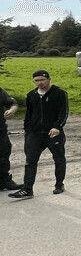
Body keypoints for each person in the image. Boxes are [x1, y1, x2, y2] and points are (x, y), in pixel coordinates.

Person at [9, 69, 69, 200]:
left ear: (48, 79)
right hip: (34, 133)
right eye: (36, 81)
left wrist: (57, 127)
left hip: (53, 133)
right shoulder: (31, 95)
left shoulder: (59, 93)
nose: (40, 83)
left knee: (59, 159)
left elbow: (64, 113)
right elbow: (28, 114)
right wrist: (27, 129)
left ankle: (59, 185)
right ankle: (27, 189)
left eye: (42, 80)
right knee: (30, 161)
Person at [0, 83, 20, 191]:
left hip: (0, 130)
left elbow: (12, 103)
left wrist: (12, 110)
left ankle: (4, 181)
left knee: (4, 153)